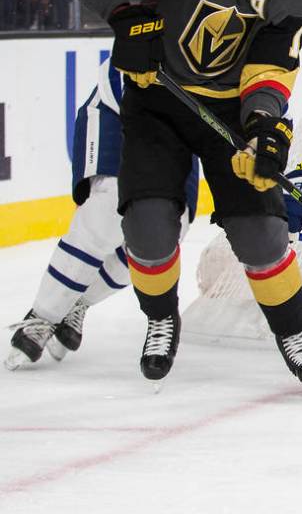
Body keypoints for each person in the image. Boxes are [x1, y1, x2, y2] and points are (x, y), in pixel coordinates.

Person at [65, 0, 302, 392]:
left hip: (227, 115)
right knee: (148, 227)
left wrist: (262, 126)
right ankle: (162, 319)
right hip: (158, 102)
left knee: (262, 234)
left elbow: (272, 67)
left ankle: (292, 332)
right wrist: (125, 15)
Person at [6, 57, 199, 370]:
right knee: (108, 210)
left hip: (181, 128)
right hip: (119, 109)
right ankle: (41, 318)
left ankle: (77, 303)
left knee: (166, 232)